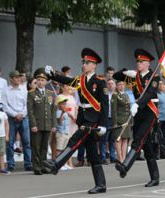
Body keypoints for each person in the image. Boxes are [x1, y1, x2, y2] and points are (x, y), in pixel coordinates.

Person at [43, 48, 108, 194]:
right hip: (83, 118)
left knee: (75, 140)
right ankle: (101, 184)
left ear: (94, 65)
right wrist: (52, 74)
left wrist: (103, 125)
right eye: (83, 62)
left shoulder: (100, 82)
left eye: (87, 62)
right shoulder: (80, 80)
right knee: (92, 153)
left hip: (94, 120)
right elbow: (65, 80)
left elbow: (105, 105)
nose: (84, 64)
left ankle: (56, 164)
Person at [113, 48, 160, 187]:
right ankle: (155, 177)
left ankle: (125, 166)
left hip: (149, 113)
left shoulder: (154, 77)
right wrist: (125, 72)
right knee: (147, 147)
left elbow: (150, 93)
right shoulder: (134, 76)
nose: (139, 63)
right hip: (138, 113)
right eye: (137, 61)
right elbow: (116, 76)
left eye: (141, 61)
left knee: (138, 139)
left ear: (148, 63)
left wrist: (138, 103)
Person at [27, 69, 57, 175]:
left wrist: (54, 124)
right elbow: (30, 111)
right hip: (37, 124)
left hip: (47, 124)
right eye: (38, 80)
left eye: (42, 80)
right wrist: (33, 124)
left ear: (46, 82)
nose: (40, 82)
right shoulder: (31, 94)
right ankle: (36, 167)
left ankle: (43, 165)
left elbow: (53, 109)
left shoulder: (50, 93)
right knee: (36, 146)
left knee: (44, 146)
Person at [2, 70, 32, 171]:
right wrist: (15, 114)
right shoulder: (5, 91)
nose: (18, 79)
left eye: (19, 77)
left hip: (23, 117)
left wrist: (22, 114)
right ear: (11, 78)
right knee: (10, 142)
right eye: (16, 77)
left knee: (26, 142)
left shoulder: (24, 90)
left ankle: (28, 163)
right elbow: (5, 106)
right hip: (11, 118)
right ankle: (10, 163)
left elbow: (27, 105)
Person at [111, 80, 132, 162]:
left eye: (123, 84)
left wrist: (130, 120)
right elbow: (114, 110)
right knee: (118, 139)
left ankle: (124, 157)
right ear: (116, 86)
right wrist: (115, 123)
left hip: (127, 120)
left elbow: (129, 108)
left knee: (125, 139)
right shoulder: (115, 95)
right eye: (119, 84)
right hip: (119, 121)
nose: (121, 86)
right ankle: (120, 158)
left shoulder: (126, 94)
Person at [59, 84, 78, 168]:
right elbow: (61, 108)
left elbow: (76, 107)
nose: (69, 87)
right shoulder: (60, 96)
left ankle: (69, 162)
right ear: (62, 87)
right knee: (66, 142)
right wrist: (71, 115)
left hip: (73, 121)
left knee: (71, 142)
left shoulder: (71, 96)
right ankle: (65, 162)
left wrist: (77, 116)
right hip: (66, 120)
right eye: (66, 86)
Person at [99, 79, 117, 164]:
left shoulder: (117, 95)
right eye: (108, 84)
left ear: (115, 85)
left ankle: (113, 156)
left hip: (114, 119)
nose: (110, 85)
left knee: (112, 139)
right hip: (105, 119)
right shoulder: (104, 94)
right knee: (103, 139)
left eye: (112, 84)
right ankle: (103, 157)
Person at [55, 95, 71, 170]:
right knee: (59, 149)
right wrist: (62, 113)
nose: (64, 105)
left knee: (64, 149)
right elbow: (59, 121)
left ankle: (64, 164)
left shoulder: (65, 112)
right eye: (62, 103)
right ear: (59, 104)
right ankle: (58, 164)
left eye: (65, 103)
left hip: (66, 132)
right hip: (60, 133)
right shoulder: (58, 112)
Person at [157, 80, 165, 155]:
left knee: (164, 136)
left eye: (162, 84)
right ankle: (159, 152)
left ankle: (163, 152)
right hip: (159, 118)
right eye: (160, 84)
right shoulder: (157, 95)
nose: (161, 85)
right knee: (159, 136)